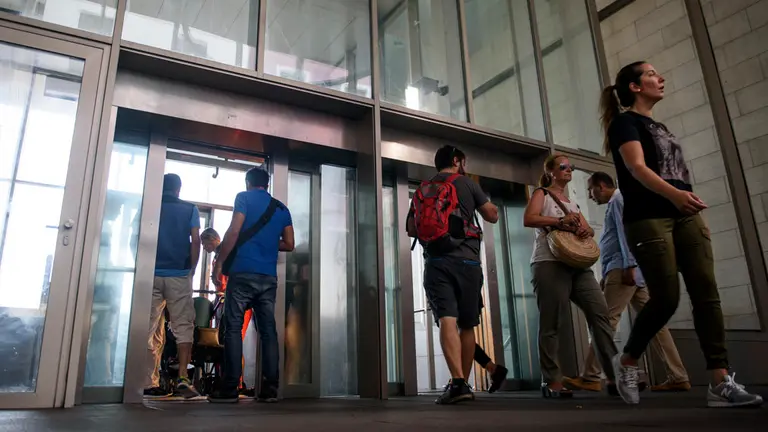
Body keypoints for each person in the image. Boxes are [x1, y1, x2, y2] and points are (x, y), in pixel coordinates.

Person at [601, 61, 763, 407]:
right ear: (634, 87)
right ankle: (627, 360)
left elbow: (672, 171)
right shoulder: (625, 123)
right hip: (649, 218)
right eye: (651, 74)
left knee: (707, 293)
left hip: (686, 216)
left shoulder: (659, 126)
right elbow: (636, 167)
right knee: (666, 299)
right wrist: (675, 195)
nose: (660, 78)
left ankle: (719, 381)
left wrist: (685, 201)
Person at [565, 171, 690, 394]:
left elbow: (626, 235)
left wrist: (629, 266)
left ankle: (590, 375)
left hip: (624, 270)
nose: (590, 195)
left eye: (591, 190)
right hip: (626, 270)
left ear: (601, 186)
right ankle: (678, 376)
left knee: (604, 321)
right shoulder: (618, 201)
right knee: (655, 324)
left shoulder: (618, 200)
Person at [406, 145, 500, 404]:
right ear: (457, 161)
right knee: (467, 325)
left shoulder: (425, 187)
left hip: (437, 262)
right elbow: (492, 216)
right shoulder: (467, 184)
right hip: (468, 262)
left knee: (447, 319)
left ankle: (457, 382)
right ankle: (463, 385)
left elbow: (412, 228)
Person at [523, 154, 619, 399]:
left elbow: (587, 230)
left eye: (570, 167)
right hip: (549, 262)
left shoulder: (572, 202)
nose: (568, 170)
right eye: (563, 167)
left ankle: (614, 377)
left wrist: (585, 230)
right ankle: (551, 380)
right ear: (551, 172)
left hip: (577, 264)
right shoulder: (542, 194)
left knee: (600, 314)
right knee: (552, 322)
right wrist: (559, 220)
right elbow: (529, 218)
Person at [208, 167, 294, 403]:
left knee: (233, 328)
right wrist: (268, 242)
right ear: (267, 184)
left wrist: (219, 263)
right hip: (267, 278)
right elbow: (289, 243)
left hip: (242, 274)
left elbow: (234, 231)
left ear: (248, 182)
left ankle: (230, 387)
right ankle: (270, 388)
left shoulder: (243, 198)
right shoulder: (281, 208)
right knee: (268, 331)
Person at [144, 174, 201, 399]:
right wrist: (192, 269)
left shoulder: (150, 206)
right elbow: (195, 240)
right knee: (183, 325)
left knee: (148, 326)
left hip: (150, 273)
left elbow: (136, 237)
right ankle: (183, 378)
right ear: (179, 189)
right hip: (179, 274)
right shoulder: (190, 209)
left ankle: (147, 380)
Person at [201, 228, 254, 395]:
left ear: (213, 239)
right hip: (223, 301)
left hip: (235, 301)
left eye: (205, 243)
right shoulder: (219, 255)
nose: (204, 248)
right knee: (225, 343)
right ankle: (227, 380)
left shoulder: (227, 252)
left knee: (233, 341)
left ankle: (236, 383)